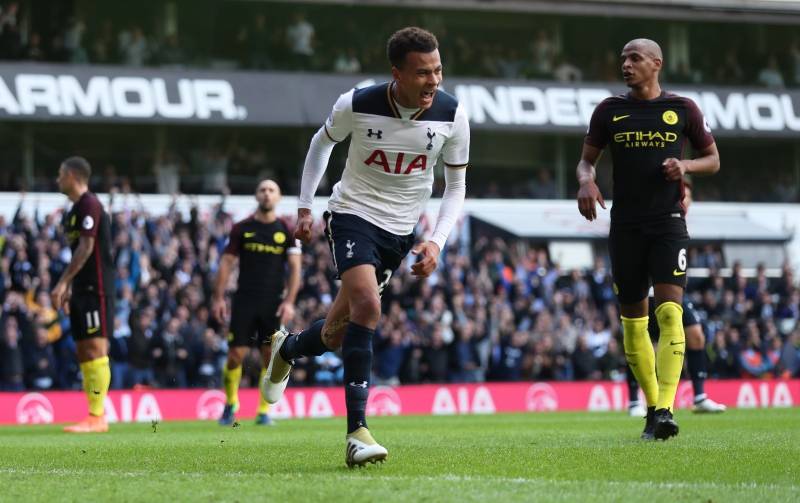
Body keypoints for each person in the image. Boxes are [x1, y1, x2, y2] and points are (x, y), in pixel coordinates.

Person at [263, 27, 469, 467]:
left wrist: (437, 240)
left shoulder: (452, 114)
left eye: (438, 70)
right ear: (396, 73)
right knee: (368, 308)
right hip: (353, 214)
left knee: (336, 333)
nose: (433, 81)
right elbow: (322, 144)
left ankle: (289, 348)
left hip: (401, 232)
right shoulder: (357, 103)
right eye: (422, 73)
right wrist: (304, 207)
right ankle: (357, 433)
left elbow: (456, 186)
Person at [576, 39, 719, 440]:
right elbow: (587, 159)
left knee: (670, 314)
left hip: (668, 223)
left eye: (634, 58)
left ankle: (666, 407)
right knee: (634, 322)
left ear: (657, 63)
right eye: (622, 58)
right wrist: (586, 181)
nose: (626, 64)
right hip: (625, 227)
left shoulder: (683, 109)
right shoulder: (608, 110)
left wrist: (685, 164)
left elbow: (713, 158)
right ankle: (653, 410)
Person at [627, 182, 726, 417]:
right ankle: (635, 401)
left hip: (675, 290)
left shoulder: (679, 223)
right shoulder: (657, 217)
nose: (686, 201)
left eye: (689, 196)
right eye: (684, 196)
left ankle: (699, 396)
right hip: (649, 288)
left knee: (696, 335)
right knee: (644, 343)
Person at [212, 179, 301, 426]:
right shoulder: (242, 228)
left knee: (268, 358)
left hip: (273, 303)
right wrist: (218, 297)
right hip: (244, 301)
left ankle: (263, 411)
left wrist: (290, 301)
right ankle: (230, 405)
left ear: (279, 197)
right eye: (262, 190)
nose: (267, 194)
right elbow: (227, 263)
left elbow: (295, 268)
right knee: (235, 355)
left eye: (272, 190)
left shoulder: (286, 230)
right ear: (256, 195)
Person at [51, 156, 115, 433]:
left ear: (73, 176)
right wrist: (70, 286)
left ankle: (97, 416)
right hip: (81, 288)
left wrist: (63, 282)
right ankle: (92, 415)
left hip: (96, 287)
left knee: (96, 349)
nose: (57, 180)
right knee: (83, 350)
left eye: (60, 175)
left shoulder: (90, 204)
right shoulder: (72, 213)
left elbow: (87, 248)